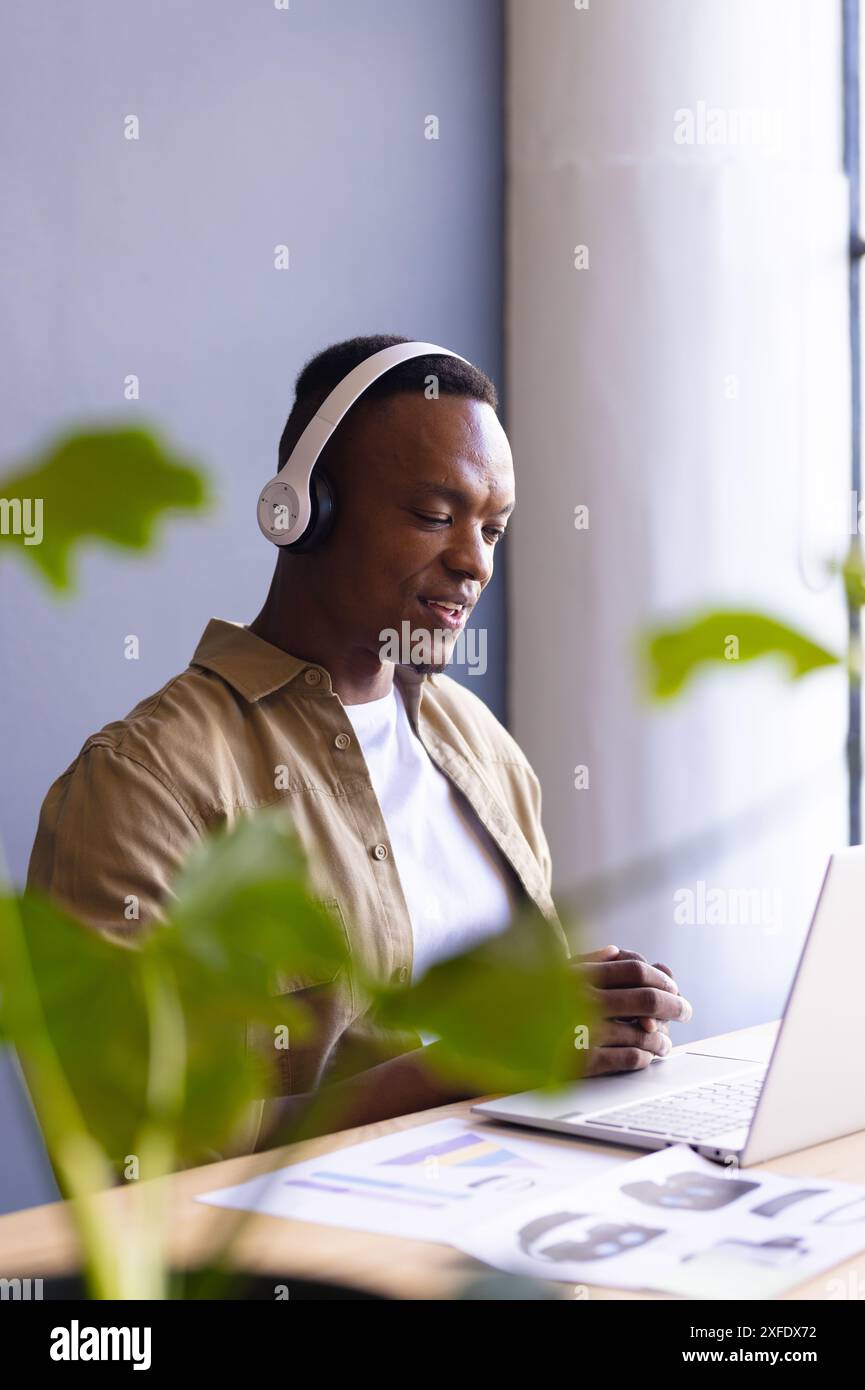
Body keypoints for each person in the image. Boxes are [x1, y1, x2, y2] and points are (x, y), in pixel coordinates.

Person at [27, 333, 692, 1155]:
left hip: (522, 1224)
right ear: (303, 511)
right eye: (434, 516)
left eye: (492, 529)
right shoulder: (146, 780)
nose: (472, 562)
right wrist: (466, 1063)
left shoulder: (479, 745)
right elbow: (131, 1146)